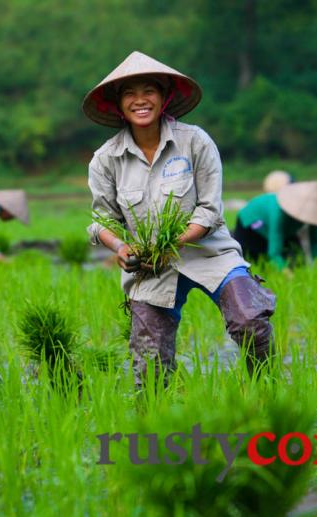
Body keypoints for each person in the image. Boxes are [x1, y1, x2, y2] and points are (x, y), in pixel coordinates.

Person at [83, 51, 277, 387]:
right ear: (118, 104)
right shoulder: (106, 159)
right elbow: (102, 221)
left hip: (209, 252)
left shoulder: (195, 142)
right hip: (151, 265)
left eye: (149, 91)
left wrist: (174, 241)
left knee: (249, 320)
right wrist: (120, 246)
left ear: (164, 97)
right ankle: (157, 425)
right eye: (129, 93)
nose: (140, 100)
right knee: (150, 364)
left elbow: (210, 210)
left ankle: (269, 390)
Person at [234, 181, 317, 268]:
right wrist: (284, 271)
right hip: (252, 224)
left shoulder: (315, 214)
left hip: (284, 228)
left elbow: (316, 242)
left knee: (298, 260)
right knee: (256, 263)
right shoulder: (278, 212)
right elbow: (274, 252)